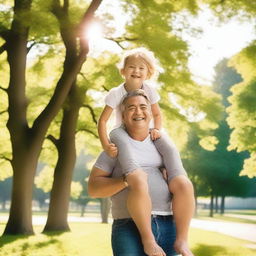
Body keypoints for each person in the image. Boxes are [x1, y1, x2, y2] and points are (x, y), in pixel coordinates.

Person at [90, 90, 195, 256]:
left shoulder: (161, 145)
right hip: (128, 226)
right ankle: (148, 240)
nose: (138, 111)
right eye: (131, 108)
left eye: (143, 107)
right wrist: (125, 180)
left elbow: (178, 185)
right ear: (123, 117)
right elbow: (94, 189)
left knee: (184, 183)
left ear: (151, 113)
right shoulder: (114, 149)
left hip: (167, 222)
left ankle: (183, 242)